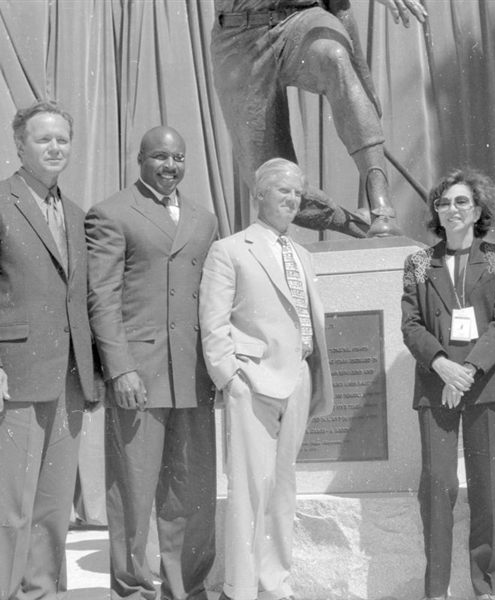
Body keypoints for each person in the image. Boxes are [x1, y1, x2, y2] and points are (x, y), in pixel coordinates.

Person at [86, 126, 218, 599]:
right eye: (160, 156)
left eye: (178, 157)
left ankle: (187, 589)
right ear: (139, 159)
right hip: (137, 377)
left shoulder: (204, 219)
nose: (170, 166)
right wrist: (119, 368)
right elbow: (102, 298)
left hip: (194, 376)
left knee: (194, 494)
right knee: (134, 494)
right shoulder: (111, 213)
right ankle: (133, 590)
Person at [0, 100, 97, 599]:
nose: (55, 147)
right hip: (17, 372)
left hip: (69, 376)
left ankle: (41, 591)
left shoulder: (74, 213)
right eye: (43, 139)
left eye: (62, 140)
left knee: (51, 505)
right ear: (19, 145)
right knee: (7, 502)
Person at [199, 158, 334, 600]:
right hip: (252, 384)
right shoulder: (231, 249)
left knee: (282, 487)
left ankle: (275, 585)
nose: (293, 199)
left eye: (297, 192)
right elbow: (213, 323)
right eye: (282, 191)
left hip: (298, 382)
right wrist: (230, 378)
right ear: (259, 196)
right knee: (249, 490)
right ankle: (239, 589)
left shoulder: (303, 255)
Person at [211, 0, 427, 238]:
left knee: (333, 58)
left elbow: (340, 7)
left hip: (301, 19)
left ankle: (381, 207)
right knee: (270, 186)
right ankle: (359, 227)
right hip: (237, 36)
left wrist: (361, 77)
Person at [401, 168, 495, 600]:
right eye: (444, 202)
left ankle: (486, 585)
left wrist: (466, 372)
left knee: (485, 486)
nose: (451, 209)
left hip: (484, 385)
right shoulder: (417, 263)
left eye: (461, 202)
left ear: (478, 209)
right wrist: (443, 365)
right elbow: (411, 325)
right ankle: (437, 590)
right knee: (438, 485)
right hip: (437, 387)